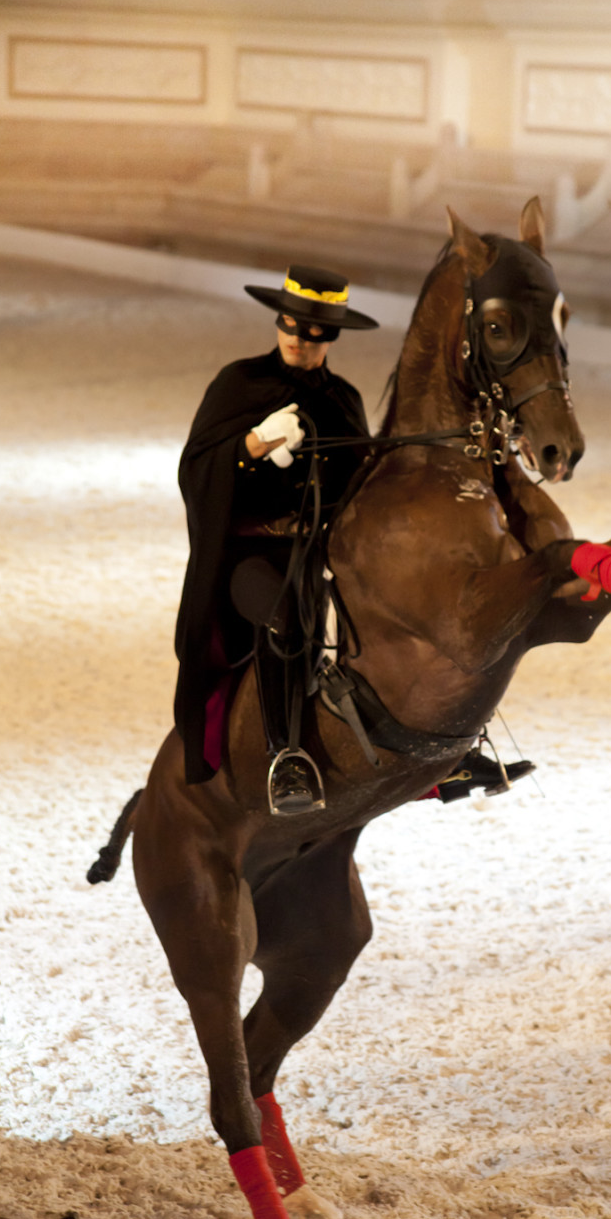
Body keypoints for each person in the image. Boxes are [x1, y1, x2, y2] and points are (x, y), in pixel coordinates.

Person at [173, 263, 534, 814]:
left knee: (421, 606)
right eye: (291, 327)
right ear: (279, 324)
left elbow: (363, 485)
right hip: (253, 555)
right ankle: (285, 756)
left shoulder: (342, 397)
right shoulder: (239, 383)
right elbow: (195, 471)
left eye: (313, 333)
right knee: (288, 614)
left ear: (330, 337)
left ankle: (449, 752)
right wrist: (249, 448)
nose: (298, 340)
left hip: (322, 550)